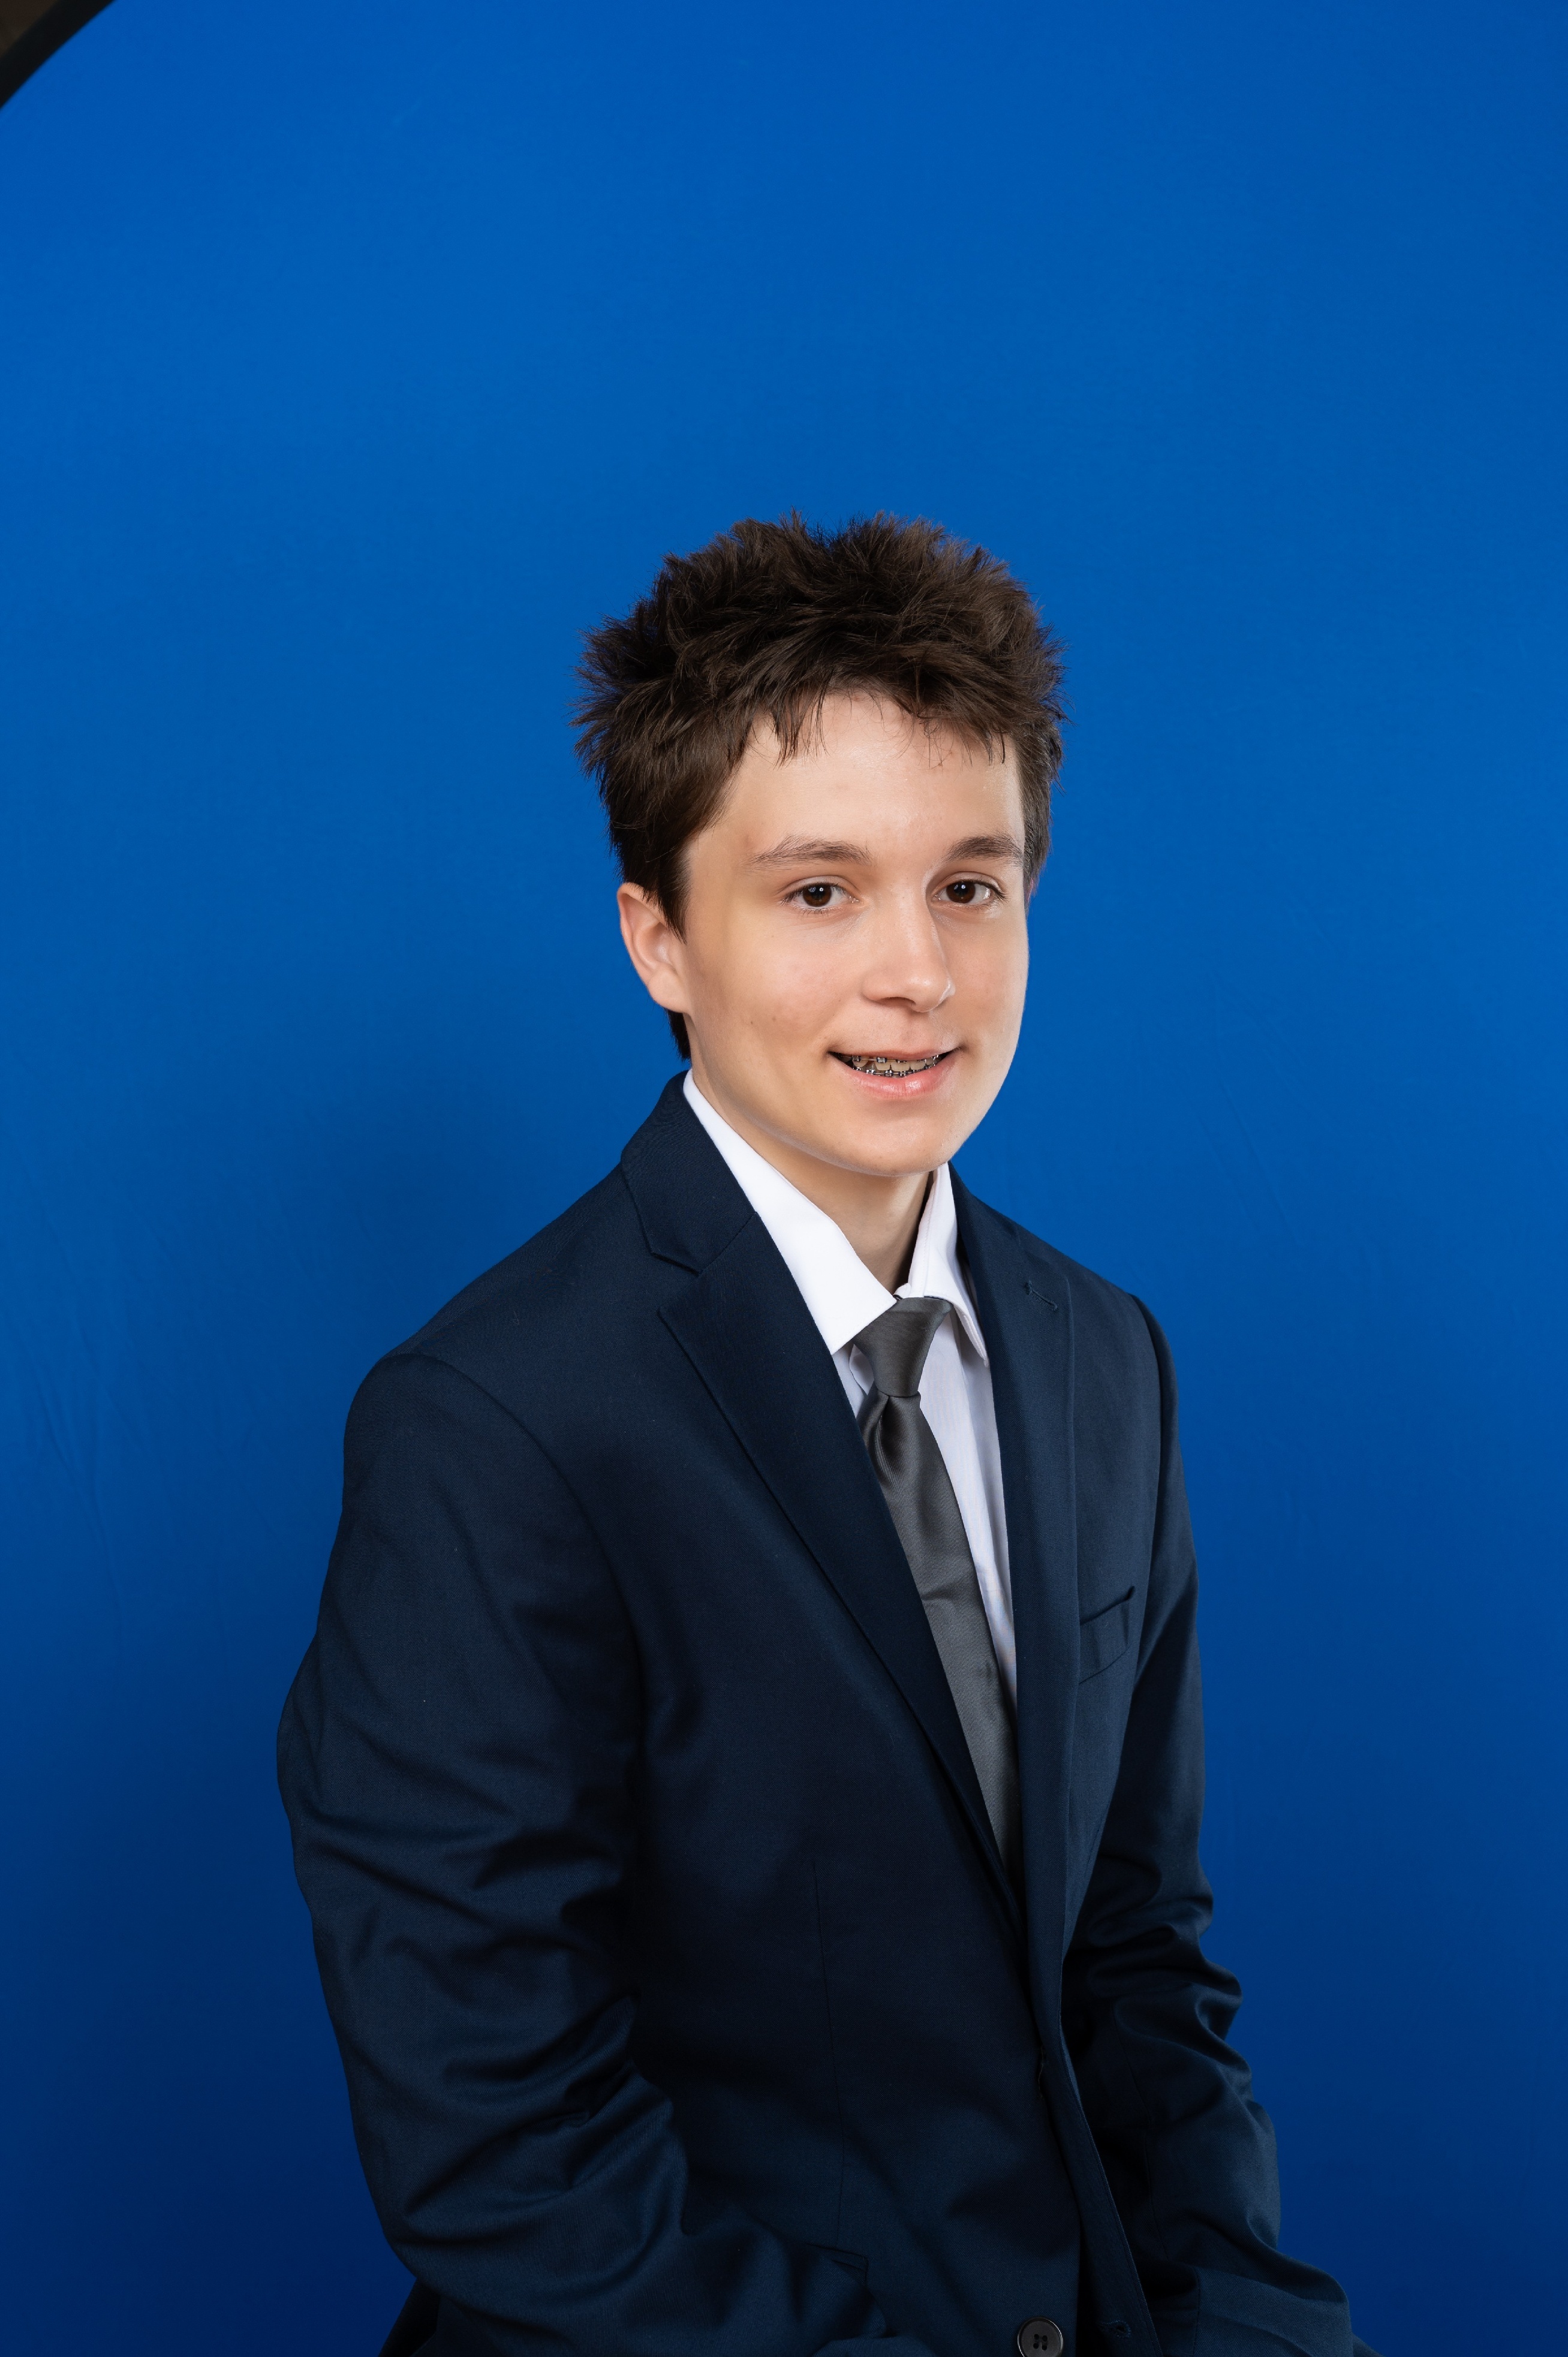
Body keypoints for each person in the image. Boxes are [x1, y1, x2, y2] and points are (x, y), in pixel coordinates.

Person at [278, 515, 1378, 2357]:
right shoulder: (491, 1424)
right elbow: (503, 2143)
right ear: (659, 936)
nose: (917, 973)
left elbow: (1138, 1957)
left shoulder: (1105, 1358)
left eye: (971, 885)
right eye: (817, 892)